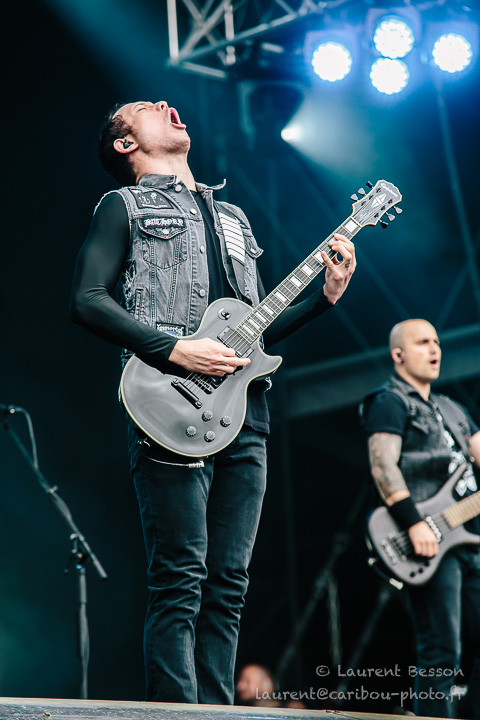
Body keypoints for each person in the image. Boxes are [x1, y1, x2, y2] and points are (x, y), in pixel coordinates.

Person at [70, 99, 356, 705]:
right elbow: (88, 299)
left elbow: (253, 333)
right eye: (147, 108)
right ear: (125, 144)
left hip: (245, 412)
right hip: (166, 402)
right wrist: (174, 349)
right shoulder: (122, 205)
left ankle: (219, 712)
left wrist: (322, 301)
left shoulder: (233, 217)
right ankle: (178, 715)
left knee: (228, 583)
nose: (166, 105)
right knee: (181, 578)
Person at [361, 319, 480, 719]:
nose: (435, 349)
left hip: (468, 536)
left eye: (437, 342)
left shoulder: (452, 408)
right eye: (423, 342)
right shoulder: (390, 401)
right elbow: (383, 468)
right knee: (442, 648)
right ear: (398, 355)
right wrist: (414, 522)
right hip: (427, 536)